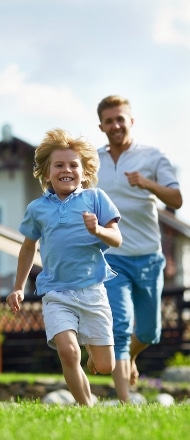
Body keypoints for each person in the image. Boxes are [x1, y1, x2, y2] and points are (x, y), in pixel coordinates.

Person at [6, 128, 122, 407]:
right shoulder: (37, 208)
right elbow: (28, 247)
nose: (66, 169)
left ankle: (96, 352)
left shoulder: (96, 198)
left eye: (73, 165)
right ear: (46, 173)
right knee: (68, 352)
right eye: (59, 165)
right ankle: (87, 407)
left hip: (92, 290)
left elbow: (116, 238)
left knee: (105, 366)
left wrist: (98, 231)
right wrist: (19, 287)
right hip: (56, 292)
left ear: (84, 172)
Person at [96, 95, 183, 403]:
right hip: (111, 257)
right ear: (101, 125)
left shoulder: (152, 156)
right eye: (109, 120)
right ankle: (124, 400)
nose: (115, 125)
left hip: (148, 256)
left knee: (149, 332)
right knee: (119, 326)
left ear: (131, 121)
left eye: (121, 119)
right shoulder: (94, 161)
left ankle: (130, 358)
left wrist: (148, 184)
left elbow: (176, 200)